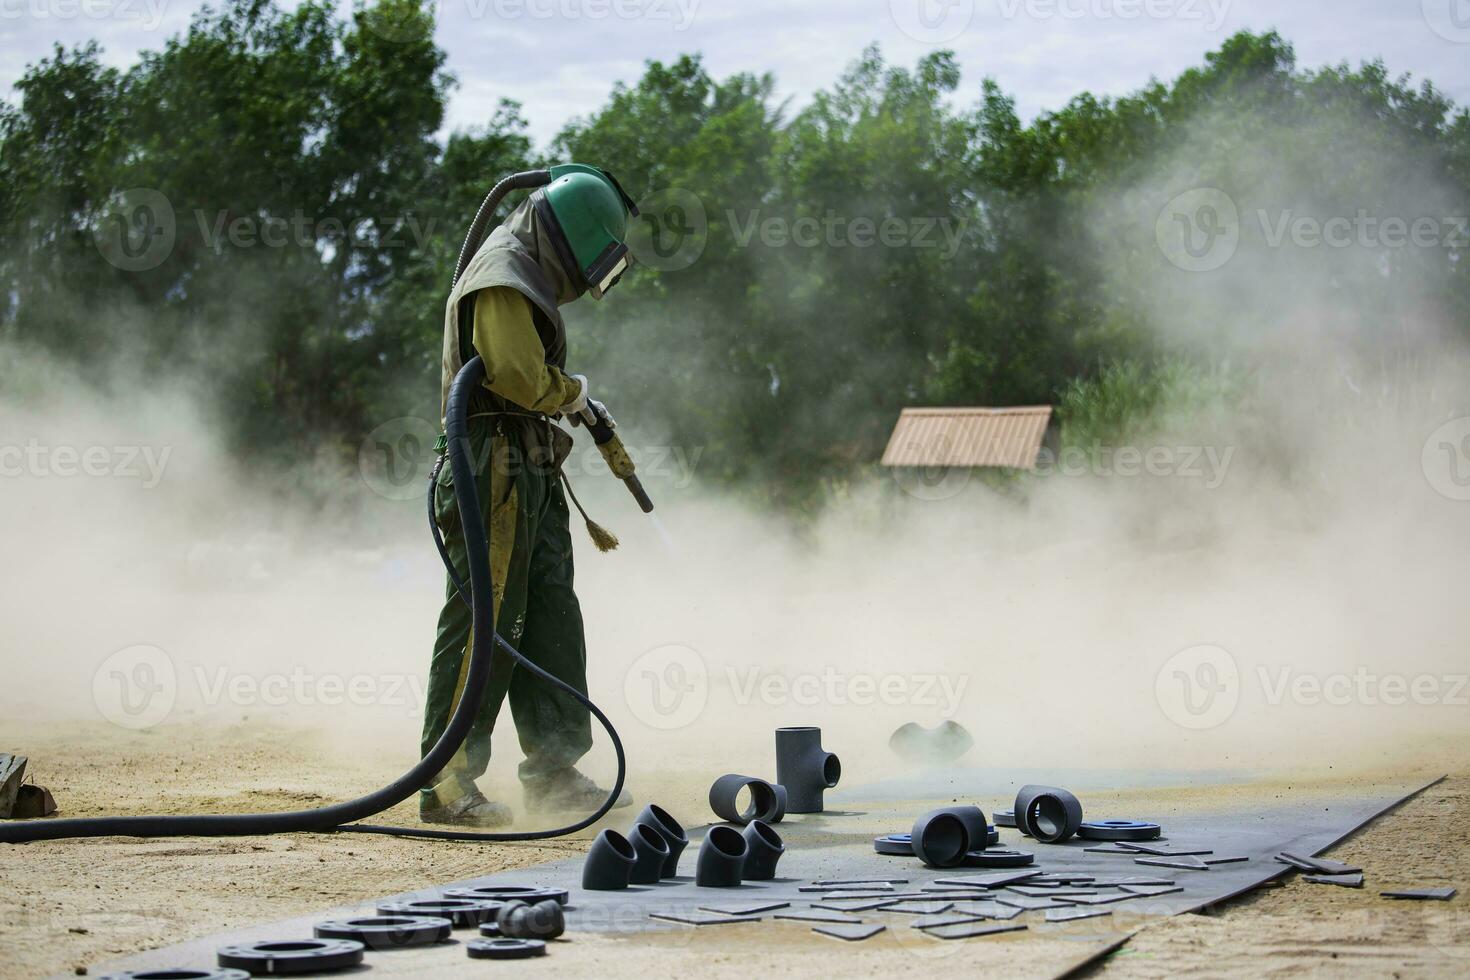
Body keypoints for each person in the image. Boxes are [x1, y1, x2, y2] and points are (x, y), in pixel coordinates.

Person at [419, 166, 637, 827]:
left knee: (548, 615)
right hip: (490, 465)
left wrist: (566, 397)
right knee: (490, 615)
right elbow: (516, 375)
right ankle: (446, 780)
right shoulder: (502, 274)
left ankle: (554, 770)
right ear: (565, 243)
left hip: (529, 463)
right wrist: (571, 392)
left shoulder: (527, 272)